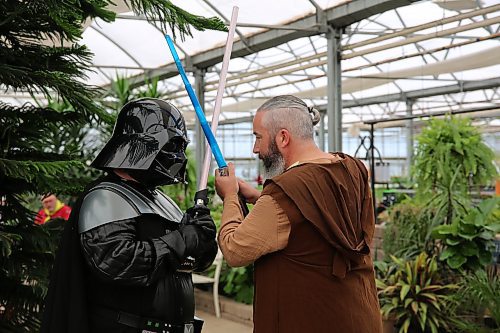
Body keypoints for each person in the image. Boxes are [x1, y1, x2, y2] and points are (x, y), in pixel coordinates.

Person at [41, 98, 218, 333]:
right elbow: (117, 263)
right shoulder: (105, 196)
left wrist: (201, 238)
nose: (177, 155)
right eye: (172, 145)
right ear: (143, 145)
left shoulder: (161, 200)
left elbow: (189, 264)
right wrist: (183, 239)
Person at [215, 95, 382, 333]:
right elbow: (318, 209)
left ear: (283, 137)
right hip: (357, 314)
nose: (255, 149)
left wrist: (230, 196)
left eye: (258, 137)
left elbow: (235, 250)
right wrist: (258, 198)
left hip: (310, 320)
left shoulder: (286, 192)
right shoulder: (352, 168)